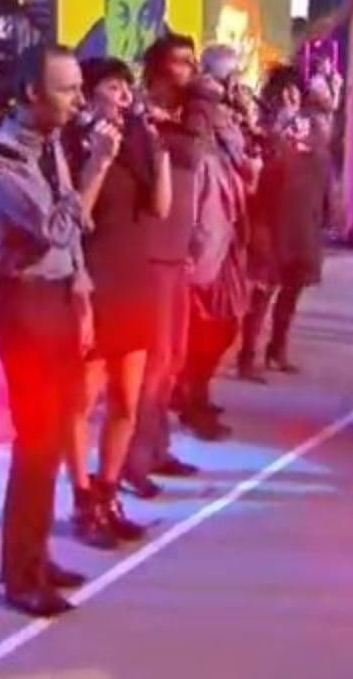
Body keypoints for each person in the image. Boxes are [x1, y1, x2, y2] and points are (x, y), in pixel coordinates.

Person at [0, 43, 108, 618]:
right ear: (33, 92)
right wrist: (97, 168)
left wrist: (80, 288)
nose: (79, 100)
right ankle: (22, 573)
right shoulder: (4, 153)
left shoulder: (51, 142)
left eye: (80, 87)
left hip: (56, 296)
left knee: (56, 432)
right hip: (23, 300)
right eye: (67, 89)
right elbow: (56, 227)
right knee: (35, 438)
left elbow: (71, 238)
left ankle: (38, 553)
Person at [61, 56, 171, 549]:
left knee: (128, 398)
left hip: (134, 276)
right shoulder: (75, 144)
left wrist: (157, 147)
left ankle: (109, 491)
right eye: (113, 87)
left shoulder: (139, 140)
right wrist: (100, 160)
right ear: (88, 94)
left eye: (128, 88)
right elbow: (77, 218)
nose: (124, 96)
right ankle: (83, 498)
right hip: (92, 276)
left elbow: (161, 207)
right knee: (83, 399)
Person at [122, 33, 204, 498]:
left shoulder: (188, 116)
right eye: (181, 62)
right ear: (158, 67)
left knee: (173, 358)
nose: (190, 70)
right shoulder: (140, 117)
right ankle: (132, 460)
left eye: (193, 61)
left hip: (178, 249)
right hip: (150, 250)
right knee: (150, 364)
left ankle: (157, 446)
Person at [177, 44, 258, 439]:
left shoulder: (225, 122)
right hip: (203, 244)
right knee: (208, 328)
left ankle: (194, 393)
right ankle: (191, 399)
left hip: (224, 234)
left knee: (223, 325)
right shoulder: (203, 114)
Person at [239, 64, 329, 377]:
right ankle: (247, 356)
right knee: (263, 290)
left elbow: (323, 170)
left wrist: (326, 210)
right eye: (284, 91)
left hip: (304, 219)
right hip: (270, 218)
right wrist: (275, 133)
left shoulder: (313, 127)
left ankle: (277, 349)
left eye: (295, 90)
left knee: (293, 288)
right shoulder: (262, 129)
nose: (290, 96)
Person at [76, 0, 171, 65]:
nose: (133, 46)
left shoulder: (180, 66)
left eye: (145, 18)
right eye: (121, 16)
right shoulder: (78, 67)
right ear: (107, 12)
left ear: (161, 13)